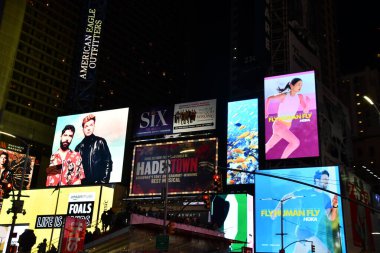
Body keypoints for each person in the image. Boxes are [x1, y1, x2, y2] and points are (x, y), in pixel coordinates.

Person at [271, 170, 338, 253]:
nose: (327, 182)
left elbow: (331, 218)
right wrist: (276, 210)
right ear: (317, 180)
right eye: (324, 179)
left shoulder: (326, 198)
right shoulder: (306, 192)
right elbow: (287, 196)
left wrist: (335, 206)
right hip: (303, 231)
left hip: (311, 232)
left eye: (327, 180)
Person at [265, 77, 310, 159]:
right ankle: (282, 160)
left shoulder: (300, 97)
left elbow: (305, 111)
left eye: (301, 85)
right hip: (279, 124)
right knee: (295, 142)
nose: (300, 87)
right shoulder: (284, 96)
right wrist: (266, 111)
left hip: (286, 126)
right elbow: (269, 99)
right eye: (298, 84)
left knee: (269, 145)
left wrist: (308, 103)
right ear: (291, 85)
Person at [75, 114, 113, 184]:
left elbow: (108, 162)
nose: (88, 128)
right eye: (86, 126)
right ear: (83, 128)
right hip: (82, 187)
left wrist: (103, 182)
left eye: (91, 125)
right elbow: (76, 170)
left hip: (98, 184)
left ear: (94, 126)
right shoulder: (78, 148)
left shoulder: (100, 142)